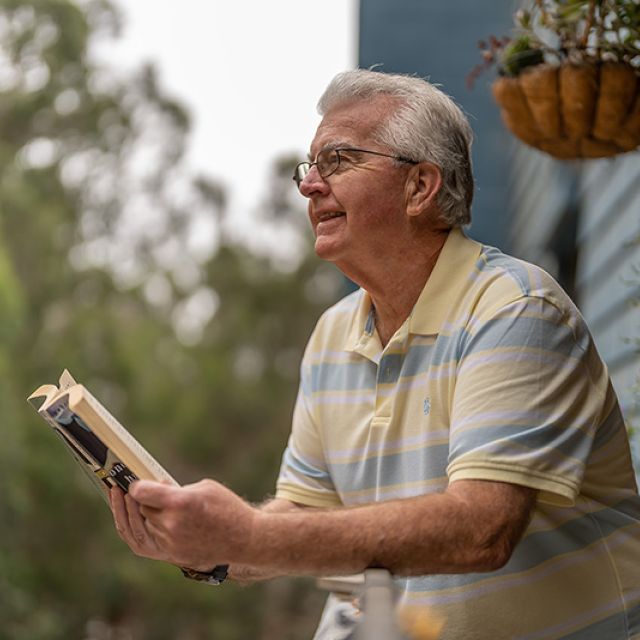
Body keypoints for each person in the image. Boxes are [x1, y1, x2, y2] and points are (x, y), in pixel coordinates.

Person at [110, 69, 640, 640]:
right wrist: (209, 548)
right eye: (308, 167)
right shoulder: (332, 336)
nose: (311, 185)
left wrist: (248, 535)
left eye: (337, 160)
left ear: (420, 187)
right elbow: (305, 521)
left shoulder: (516, 310)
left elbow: (482, 530)